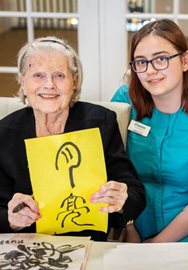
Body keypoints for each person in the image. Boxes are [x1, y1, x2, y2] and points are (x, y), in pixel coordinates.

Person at [0, 36, 146, 241]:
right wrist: (11, 219)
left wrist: (122, 199)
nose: (49, 84)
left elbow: (135, 193)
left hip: (90, 246)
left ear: (74, 81)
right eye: (38, 75)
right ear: (22, 81)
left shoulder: (100, 122)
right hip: (26, 247)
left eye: (59, 75)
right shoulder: (4, 133)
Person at [111, 19, 188, 242]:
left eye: (161, 59)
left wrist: (155, 244)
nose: (150, 71)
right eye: (141, 62)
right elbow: (111, 172)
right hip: (129, 229)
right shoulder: (124, 101)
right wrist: (129, 226)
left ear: (185, 60)